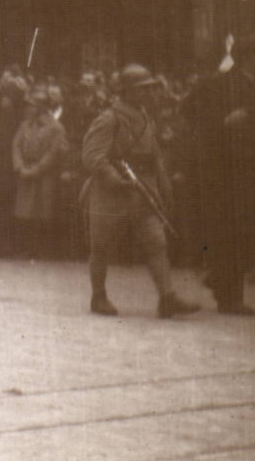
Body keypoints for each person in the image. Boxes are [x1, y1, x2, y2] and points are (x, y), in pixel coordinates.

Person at [81, 63, 202, 319]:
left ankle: (167, 297)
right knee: (101, 245)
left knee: (156, 242)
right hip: (111, 193)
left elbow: (154, 154)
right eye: (141, 89)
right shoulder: (109, 118)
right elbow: (93, 155)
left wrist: (163, 183)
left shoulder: (146, 118)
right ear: (125, 91)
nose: (147, 93)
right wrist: (114, 178)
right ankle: (98, 296)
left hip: (143, 190)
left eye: (149, 88)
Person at [181, 35, 255, 314]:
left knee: (244, 229)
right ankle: (230, 296)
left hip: (247, 167)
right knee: (228, 230)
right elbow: (187, 111)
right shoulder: (214, 83)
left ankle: (221, 281)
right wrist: (221, 123)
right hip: (220, 168)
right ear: (249, 56)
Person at [11, 87, 68, 261]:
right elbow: (16, 145)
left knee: (43, 212)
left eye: (33, 105)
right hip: (26, 171)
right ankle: (26, 249)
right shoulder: (25, 125)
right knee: (25, 213)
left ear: (42, 107)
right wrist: (20, 166)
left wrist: (37, 169)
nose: (28, 108)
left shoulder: (56, 127)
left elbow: (53, 152)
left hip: (45, 175)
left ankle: (43, 250)